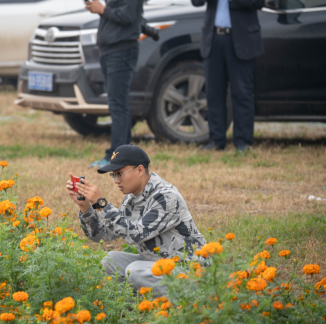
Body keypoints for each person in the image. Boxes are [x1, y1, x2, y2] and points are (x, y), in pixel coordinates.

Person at [66, 144, 207, 296]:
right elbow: (100, 235)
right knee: (110, 260)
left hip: (191, 272)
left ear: (140, 170)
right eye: (114, 175)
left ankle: (179, 304)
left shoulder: (166, 197)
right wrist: (86, 207)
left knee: (135, 271)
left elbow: (136, 234)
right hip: (158, 265)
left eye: (120, 173)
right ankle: (131, 306)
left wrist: (101, 205)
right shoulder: (131, 200)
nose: (116, 180)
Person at [192, 0, 265, 152]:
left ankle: (243, 142)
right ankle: (216, 140)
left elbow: (258, 2)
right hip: (213, 38)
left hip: (241, 39)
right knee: (214, 93)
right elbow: (196, 2)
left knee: (241, 93)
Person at [85, 0, 143, 168]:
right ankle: (122, 156)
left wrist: (102, 9)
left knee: (118, 106)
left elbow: (128, 15)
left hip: (122, 51)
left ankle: (116, 157)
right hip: (110, 51)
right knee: (117, 105)